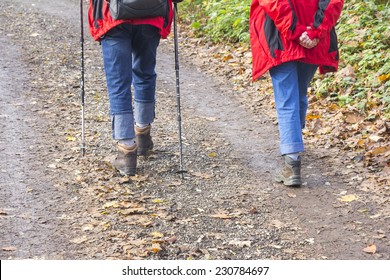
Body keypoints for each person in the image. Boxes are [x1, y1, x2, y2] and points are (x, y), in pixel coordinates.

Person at [249, 0, 344, 186]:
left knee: (287, 99)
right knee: (298, 94)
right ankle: (294, 141)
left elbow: (274, 2)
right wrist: (314, 31)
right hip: (313, 39)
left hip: (281, 38)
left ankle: (292, 162)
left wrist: (297, 31)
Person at [88, 0, 183, 176]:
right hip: (151, 13)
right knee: (145, 73)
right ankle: (142, 133)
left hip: (112, 17)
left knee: (118, 83)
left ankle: (126, 151)